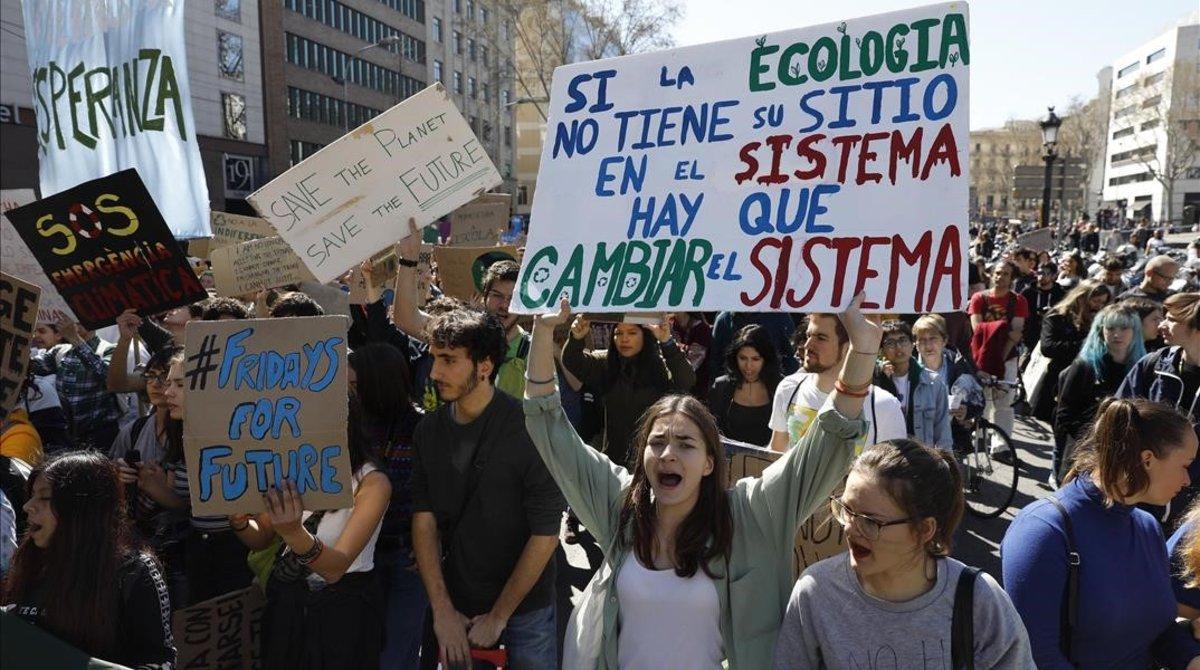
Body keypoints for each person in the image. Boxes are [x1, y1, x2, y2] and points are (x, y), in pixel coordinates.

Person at [525, 293, 881, 669]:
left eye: (685, 444)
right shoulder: (620, 507)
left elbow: (827, 441)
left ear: (711, 462)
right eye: (657, 443)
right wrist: (542, 330)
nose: (667, 455)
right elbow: (547, 426)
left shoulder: (749, 515)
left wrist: (863, 350)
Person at [773, 440, 1033, 668]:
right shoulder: (816, 591)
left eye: (870, 521)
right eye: (846, 510)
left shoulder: (979, 600)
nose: (851, 529)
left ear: (925, 529)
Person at [411, 307, 564, 670]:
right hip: (456, 607)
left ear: (484, 365)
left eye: (449, 360)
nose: (435, 373)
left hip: (526, 612)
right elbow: (424, 521)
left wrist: (499, 616)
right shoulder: (428, 431)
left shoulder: (531, 430)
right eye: (434, 358)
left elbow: (545, 535)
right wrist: (443, 611)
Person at [1002, 399, 1200, 669]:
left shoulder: (1147, 528)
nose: (1188, 480)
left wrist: (1191, 658)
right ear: (1147, 460)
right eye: (1185, 465)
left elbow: (1156, 632)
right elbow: (1034, 656)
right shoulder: (1043, 531)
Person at [230, 400, 392, 669]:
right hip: (290, 613)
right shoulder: (291, 469)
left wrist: (294, 532)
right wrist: (239, 522)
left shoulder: (372, 482)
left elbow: (335, 568)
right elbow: (263, 538)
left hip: (343, 617)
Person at [2, 451, 175, 668]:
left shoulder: (133, 571)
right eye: (31, 495)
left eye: (44, 497)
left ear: (81, 509)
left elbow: (161, 662)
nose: (28, 506)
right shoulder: (28, 564)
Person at [347, 343, 427, 670]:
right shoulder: (351, 425)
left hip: (409, 558)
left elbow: (442, 495)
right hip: (360, 556)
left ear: (378, 384)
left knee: (395, 654)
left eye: (355, 386)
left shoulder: (425, 428)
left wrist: (432, 542)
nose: (350, 394)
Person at [395, 221, 531, 400]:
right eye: (497, 295)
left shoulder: (531, 350)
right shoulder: (464, 333)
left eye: (512, 298)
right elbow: (406, 319)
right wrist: (408, 259)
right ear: (484, 296)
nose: (504, 305)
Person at [161, 353, 255, 606]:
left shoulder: (239, 435)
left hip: (237, 551)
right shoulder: (181, 433)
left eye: (180, 385)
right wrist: (151, 486)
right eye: (168, 383)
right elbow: (184, 500)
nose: (167, 392)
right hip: (198, 549)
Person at [562, 314, 696, 466]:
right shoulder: (606, 364)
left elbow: (687, 380)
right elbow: (572, 361)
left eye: (632, 333)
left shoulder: (660, 368)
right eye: (618, 333)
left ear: (645, 335)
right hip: (614, 462)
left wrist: (667, 342)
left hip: (654, 459)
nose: (624, 339)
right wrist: (576, 338)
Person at [1118, 292, 1200, 530]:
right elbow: (1118, 415)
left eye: (1172, 320)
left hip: (1187, 511)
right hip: (1135, 494)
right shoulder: (1154, 364)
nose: (1162, 325)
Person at [770, 313, 905, 453]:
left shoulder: (884, 406)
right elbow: (775, 453)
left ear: (849, 347)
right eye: (808, 335)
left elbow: (895, 471)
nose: (807, 345)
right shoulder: (789, 388)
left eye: (821, 338)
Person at [1051, 305, 1146, 484]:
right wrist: (1093, 442)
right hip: (1084, 454)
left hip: (1121, 458)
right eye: (1110, 328)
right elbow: (1065, 415)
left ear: (1135, 331)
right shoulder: (1084, 366)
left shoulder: (1142, 369)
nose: (1117, 334)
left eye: (1124, 328)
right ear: (1100, 331)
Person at [27, 317, 122, 452]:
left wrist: (75, 339)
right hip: (68, 436)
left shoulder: (109, 349)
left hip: (99, 439)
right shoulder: (59, 351)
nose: (75, 322)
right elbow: (29, 366)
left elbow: (109, 378)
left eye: (80, 318)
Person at [1029, 281, 1111, 422]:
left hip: (1086, 384)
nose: (1099, 306)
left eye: (1103, 303)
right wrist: (1085, 344)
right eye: (1096, 301)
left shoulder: (1101, 320)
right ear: (1081, 298)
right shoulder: (1057, 317)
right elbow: (1048, 347)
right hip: (1057, 381)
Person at [968, 261, 1028, 454]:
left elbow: (1015, 334)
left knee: (1004, 402)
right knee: (981, 398)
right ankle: (977, 437)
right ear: (991, 274)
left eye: (1006, 274)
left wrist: (1000, 358)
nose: (1000, 277)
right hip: (981, 357)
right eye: (998, 272)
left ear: (1012, 278)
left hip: (1007, 357)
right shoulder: (979, 298)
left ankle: (1001, 445)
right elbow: (977, 329)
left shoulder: (1018, 301)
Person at [872, 321, 952, 451]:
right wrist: (877, 373)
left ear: (912, 344)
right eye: (890, 343)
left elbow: (943, 432)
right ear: (882, 350)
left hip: (921, 456)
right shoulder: (875, 380)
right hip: (885, 456)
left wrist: (948, 464)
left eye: (903, 340)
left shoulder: (933, 383)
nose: (898, 347)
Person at [912, 314, 983, 453]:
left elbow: (978, 398)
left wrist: (966, 410)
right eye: (922, 340)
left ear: (944, 341)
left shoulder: (957, 366)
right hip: (915, 440)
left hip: (949, 441)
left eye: (933, 338)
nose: (927, 345)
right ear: (915, 344)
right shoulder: (908, 368)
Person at [707, 325, 782, 446]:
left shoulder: (781, 386)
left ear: (766, 359)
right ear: (734, 357)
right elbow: (711, 431)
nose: (748, 366)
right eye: (743, 358)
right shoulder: (722, 387)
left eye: (755, 359)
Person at [709, 311, 799, 379]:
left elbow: (792, 357)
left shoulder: (779, 317)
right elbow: (715, 363)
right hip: (732, 391)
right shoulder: (724, 320)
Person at [1020, 262, 1066, 351]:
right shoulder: (1028, 292)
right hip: (1030, 337)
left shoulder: (1061, 294)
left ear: (1053, 276)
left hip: (1051, 337)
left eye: (1044, 274)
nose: (1041, 277)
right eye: (1039, 273)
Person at [671, 312, 714, 397]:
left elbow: (692, 365)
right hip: (672, 387)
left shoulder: (702, 329)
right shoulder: (669, 324)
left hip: (695, 390)